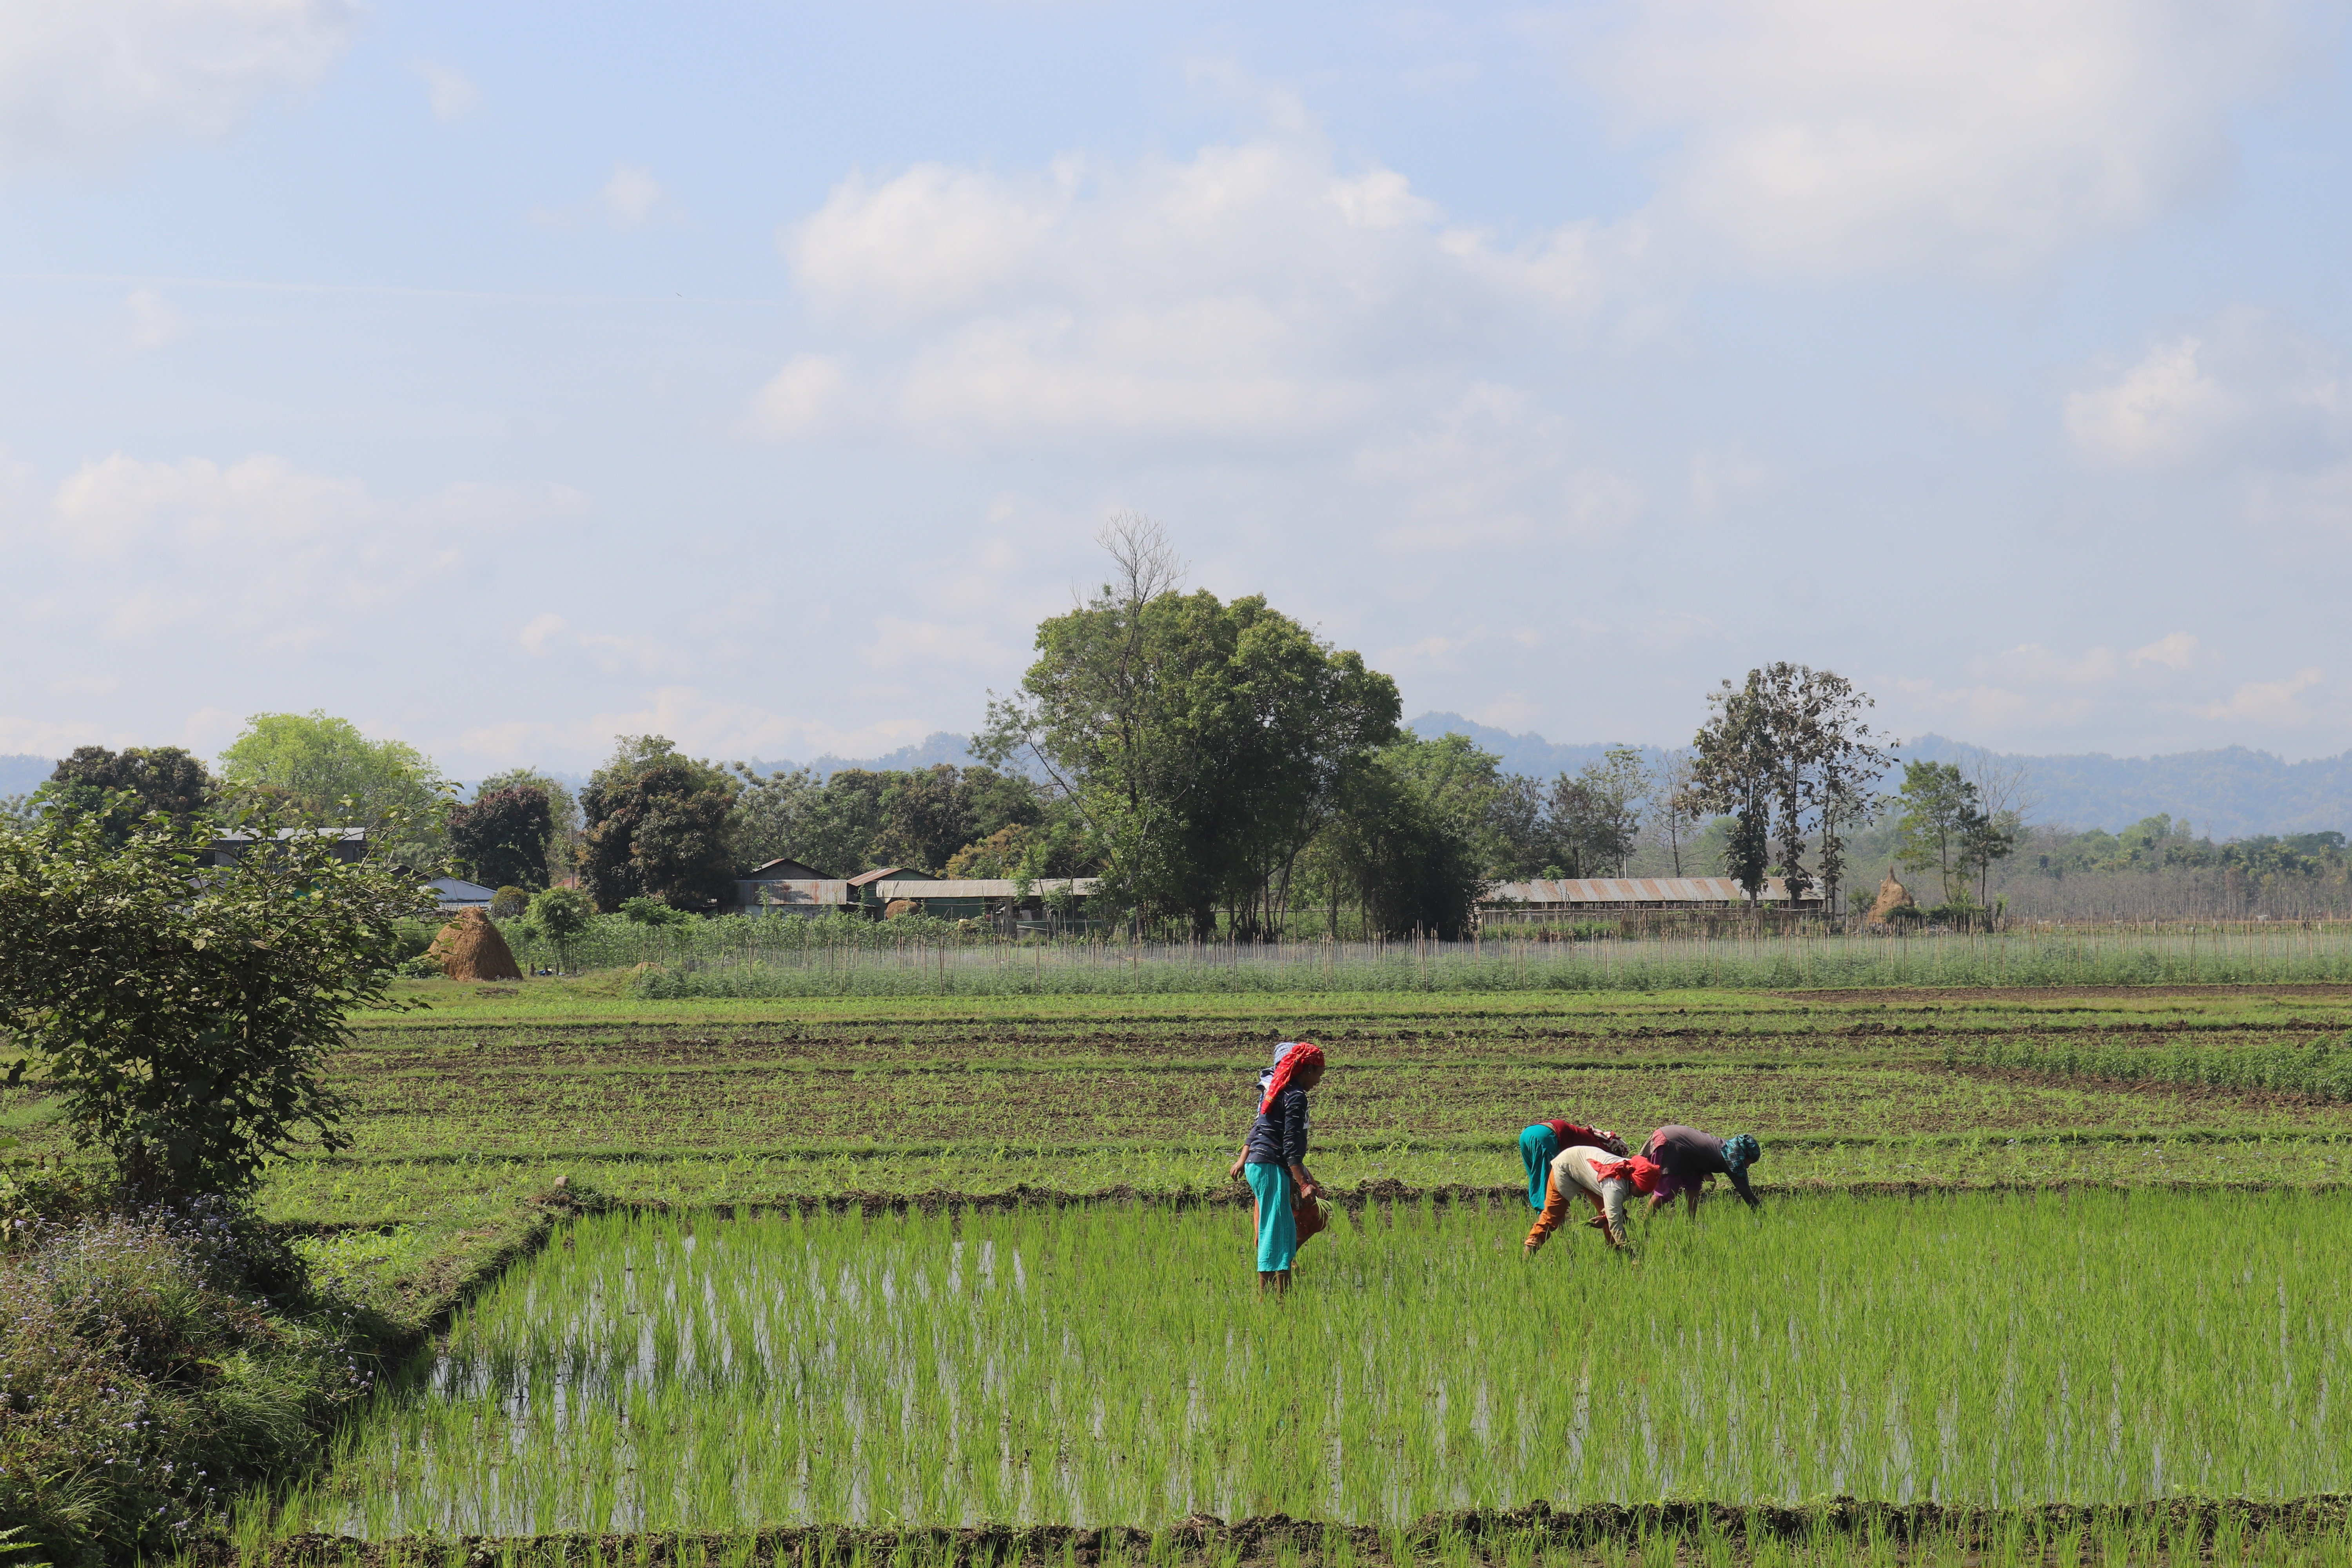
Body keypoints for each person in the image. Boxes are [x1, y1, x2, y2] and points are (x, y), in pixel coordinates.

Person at [1227, 1040, 1326, 1294]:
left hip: (1262, 1165)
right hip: (1271, 1165)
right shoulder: (1294, 1097)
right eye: (1318, 1074)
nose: (1318, 1081)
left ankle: (1284, 1292)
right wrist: (1304, 1184)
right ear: (1306, 1070)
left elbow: (1261, 1127)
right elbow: (1290, 1145)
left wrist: (1242, 1159)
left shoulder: (1278, 1091)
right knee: (1274, 1232)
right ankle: (1269, 1298)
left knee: (1282, 1229)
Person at [1523, 1143, 1657, 1258]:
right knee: (1551, 1218)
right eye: (1641, 1191)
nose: (1644, 1196)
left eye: (1647, 1193)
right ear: (1632, 1181)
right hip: (1566, 1166)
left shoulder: (1633, 1170)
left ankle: (1617, 1258)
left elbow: (1613, 1214)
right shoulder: (1614, 1186)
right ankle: (1526, 1260)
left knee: (1612, 1217)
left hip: (1591, 1171)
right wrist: (1631, 1254)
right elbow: (1616, 1223)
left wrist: (1606, 1218)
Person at [1640, 1125, 1763, 1215]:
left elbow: (1702, 1155)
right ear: (1743, 1155)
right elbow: (1745, 1192)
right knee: (1668, 1189)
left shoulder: (1727, 1149)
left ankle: (1691, 1223)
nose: (1747, 1167)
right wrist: (1762, 1215)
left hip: (1685, 1150)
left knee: (1694, 1186)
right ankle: (1645, 1222)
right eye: (1749, 1162)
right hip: (1672, 1143)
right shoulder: (1731, 1160)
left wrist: (1705, 1173)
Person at [1517, 1119, 1628, 1210]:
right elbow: (1593, 1180)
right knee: (1547, 1186)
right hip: (1547, 1138)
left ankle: (1547, 1222)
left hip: (1528, 1133)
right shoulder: (1602, 1152)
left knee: (1538, 1181)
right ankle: (1550, 1224)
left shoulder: (1591, 1140)